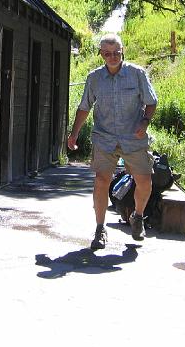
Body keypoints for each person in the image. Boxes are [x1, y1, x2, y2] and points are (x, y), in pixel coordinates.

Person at [67, 33, 158, 250]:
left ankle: (137, 216)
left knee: (144, 180)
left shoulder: (137, 74)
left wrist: (145, 121)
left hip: (133, 136)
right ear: (101, 55)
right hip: (104, 137)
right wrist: (74, 134)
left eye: (116, 53)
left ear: (122, 51)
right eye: (107, 54)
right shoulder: (94, 78)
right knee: (101, 181)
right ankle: (100, 229)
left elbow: (151, 102)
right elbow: (84, 107)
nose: (112, 57)